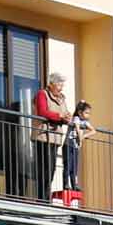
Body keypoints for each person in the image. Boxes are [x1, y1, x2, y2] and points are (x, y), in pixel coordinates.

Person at [32, 73, 73, 201]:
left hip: (55, 137)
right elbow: (42, 112)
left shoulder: (62, 98)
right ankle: (42, 198)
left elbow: (65, 113)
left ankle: (45, 196)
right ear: (51, 84)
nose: (61, 87)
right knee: (44, 167)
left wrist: (67, 118)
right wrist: (60, 116)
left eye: (62, 85)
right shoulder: (42, 94)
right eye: (59, 84)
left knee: (51, 168)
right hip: (43, 135)